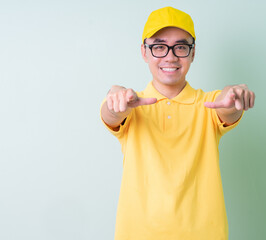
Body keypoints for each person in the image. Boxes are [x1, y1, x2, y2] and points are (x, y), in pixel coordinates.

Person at [100, 6, 255, 240]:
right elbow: (111, 115)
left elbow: (227, 107)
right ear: (144, 52)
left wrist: (233, 97)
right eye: (159, 47)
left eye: (180, 47)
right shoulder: (132, 106)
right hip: (138, 234)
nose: (170, 56)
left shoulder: (209, 104)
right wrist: (114, 100)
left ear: (192, 53)